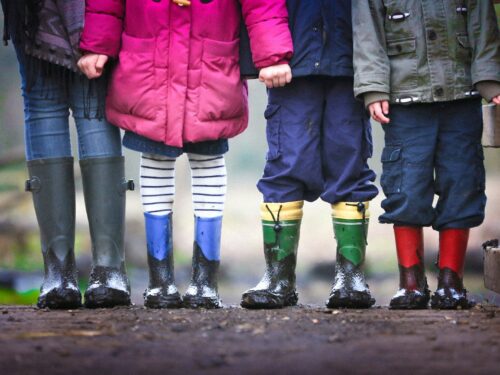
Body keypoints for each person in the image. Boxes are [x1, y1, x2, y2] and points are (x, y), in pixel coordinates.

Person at [78, 0, 293, 309]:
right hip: (149, 65)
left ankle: (205, 281)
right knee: (155, 159)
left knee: (207, 162)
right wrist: (98, 42)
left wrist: (272, 54)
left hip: (210, 66)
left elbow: (263, 5)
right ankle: (160, 281)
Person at [353, 0, 500, 309]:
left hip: (462, 95)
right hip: (403, 101)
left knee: (462, 182)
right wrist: (374, 89)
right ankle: (410, 282)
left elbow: (483, 24)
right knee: (405, 187)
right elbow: (368, 36)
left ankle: (451, 281)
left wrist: (490, 79)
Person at [240, 0, 379, 310]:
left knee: (351, 165)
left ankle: (351, 275)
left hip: (353, 62)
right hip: (289, 63)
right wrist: (269, 52)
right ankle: (278, 277)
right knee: (285, 165)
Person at [1, 0, 133, 309]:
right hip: (34, 15)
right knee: (51, 105)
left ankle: (100, 268)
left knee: (87, 108)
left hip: (89, 12)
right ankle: (67, 271)